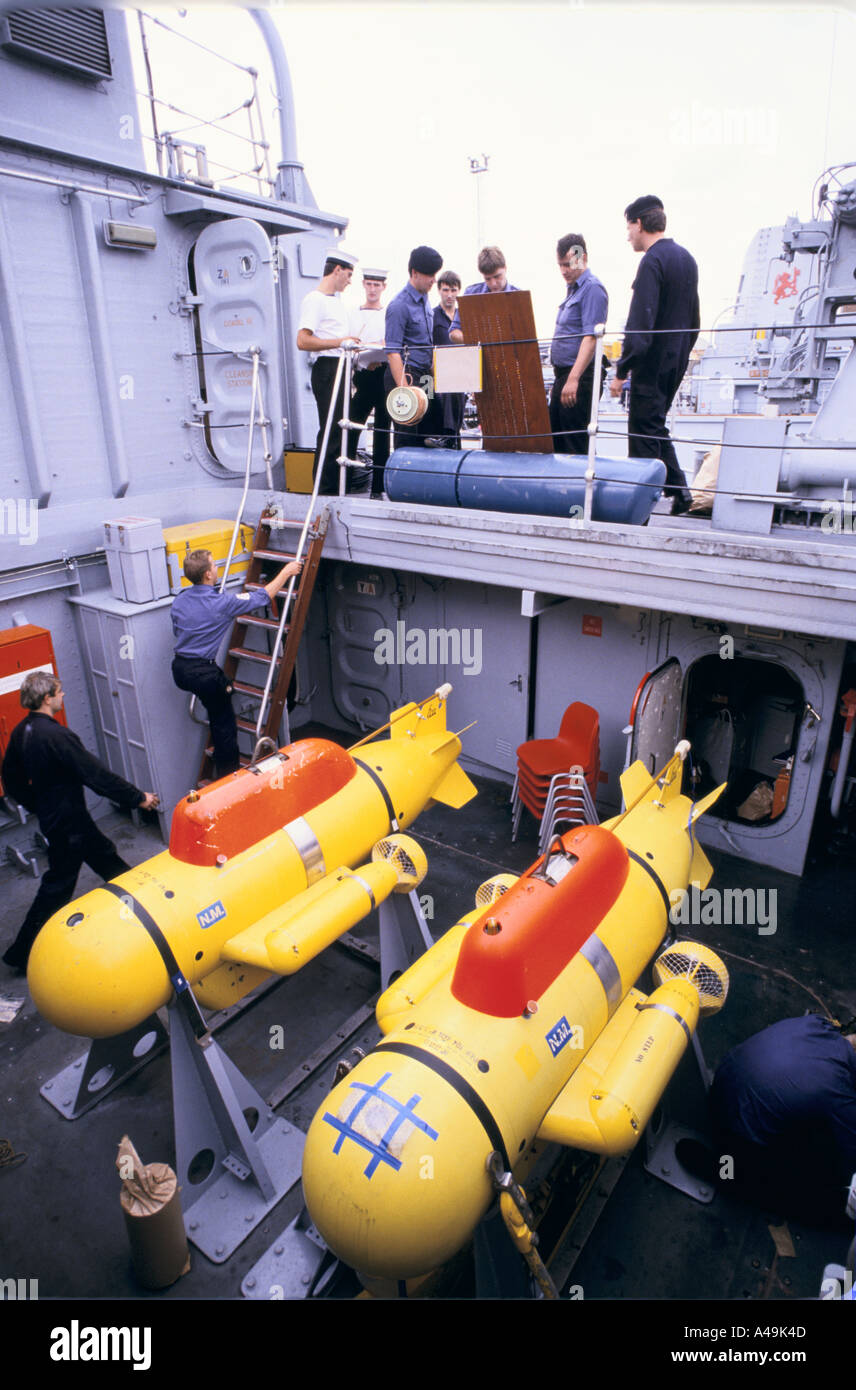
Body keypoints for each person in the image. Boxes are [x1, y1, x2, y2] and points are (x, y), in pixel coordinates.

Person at [1, 672, 158, 972]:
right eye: (59, 691)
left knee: (108, 861)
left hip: (60, 818)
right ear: (47, 698)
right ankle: (22, 953)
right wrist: (138, 797)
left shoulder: (22, 732)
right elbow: (96, 775)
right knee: (58, 885)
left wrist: (39, 804)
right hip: (69, 821)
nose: (64, 696)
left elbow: (11, 780)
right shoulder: (58, 736)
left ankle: (147, 908)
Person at [709, 1014, 856, 1224]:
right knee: (823, 1182)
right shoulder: (837, 1093)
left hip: (720, 1086)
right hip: (732, 1141)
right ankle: (728, 1181)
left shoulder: (815, 1023)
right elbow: (850, 1161)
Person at [171, 548, 303, 780]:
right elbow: (263, 596)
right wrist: (286, 572)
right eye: (214, 565)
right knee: (225, 729)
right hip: (204, 673)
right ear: (208, 576)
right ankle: (228, 780)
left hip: (180, 670)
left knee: (214, 705)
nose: (217, 567)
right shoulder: (222, 603)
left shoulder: (180, 600)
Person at [609, 195, 699, 514]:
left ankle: (641, 505)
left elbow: (639, 325)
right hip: (676, 359)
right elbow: (694, 321)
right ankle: (681, 491)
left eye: (629, 226)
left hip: (651, 361)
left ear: (640, 223)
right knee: (654, 425)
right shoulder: (687, 259)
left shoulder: (651, 261)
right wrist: (679, 356)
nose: (628, 234)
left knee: (642, 433)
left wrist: (622, 371)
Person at [297, 249, 360, 495]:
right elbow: (302, 341)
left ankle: (336, 487)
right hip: (328, 368)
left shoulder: (336, 302)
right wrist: (339, 341)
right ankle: (324, 490)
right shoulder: (315, 300)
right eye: (348, 274)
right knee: (331, 429)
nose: (349, 280)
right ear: (337, 270)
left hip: (342, 367)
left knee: (340, 428)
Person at [549, 234, 609, 455]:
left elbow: (591, 338)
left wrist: (573, 379)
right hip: (564, 375)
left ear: (582, 258)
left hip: (579, 376)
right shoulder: (574, 289)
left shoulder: (592, 289)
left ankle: (577, 489)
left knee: (574, 442)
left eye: (568, 264)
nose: (564, 270)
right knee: (557, 438)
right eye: (560, 265)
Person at [384, 244, 444, 447]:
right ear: (415, 273)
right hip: (407, 375)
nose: (433, 280)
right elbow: (392, 351)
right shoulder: (399, 306)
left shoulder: (425, 300)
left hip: (425, 376)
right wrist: (404, 392)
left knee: (431, 432)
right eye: (430, 275)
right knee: (407, 435)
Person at [347, 267, 391, 498]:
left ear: (383, 287)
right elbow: (351, 344)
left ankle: (379, 488)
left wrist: (372, 347)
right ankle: (345, 481)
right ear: (363, 285)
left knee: (383, 432)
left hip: (383, 376)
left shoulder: (387, 313)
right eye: (369, 284)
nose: (373, 289)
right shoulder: (353, 313)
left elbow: (389, 342)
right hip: (363, 376)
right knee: (352, 427)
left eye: (377, 285)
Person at [449, 245, 521, 343]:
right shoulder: (471, 294)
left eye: (497, 276)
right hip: (478, 356)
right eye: (488, 279)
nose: (493, 283)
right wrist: (480, 343)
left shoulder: (519, 297)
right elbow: (454, 332)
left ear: (505, 268)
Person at [432, 270, 466, 447]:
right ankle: (449, 437)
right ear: (439, 290)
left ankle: (450, 438)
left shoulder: (464, 316)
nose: (450, 295)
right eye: (446, 290)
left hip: (461, 372)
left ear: (458, 291)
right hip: (436, 371)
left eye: (453, 290)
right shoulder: (432, 315)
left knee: (456, 398)